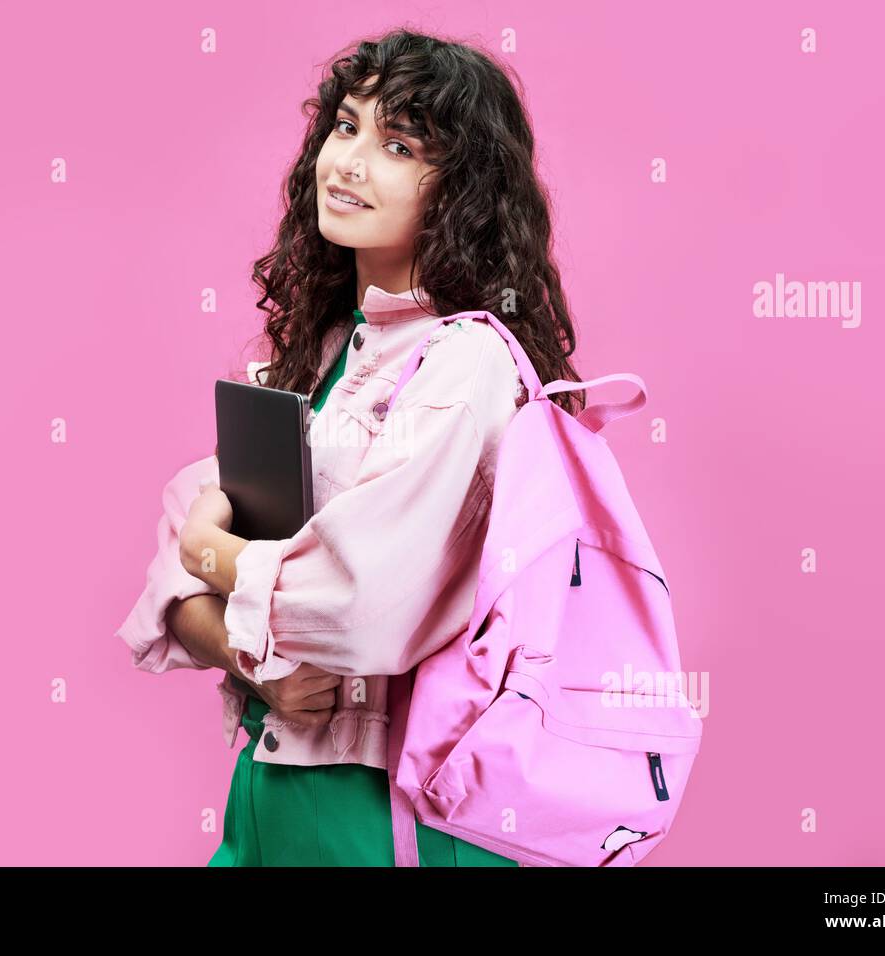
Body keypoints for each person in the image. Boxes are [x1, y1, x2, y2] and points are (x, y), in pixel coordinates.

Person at [116, 28, 587, 866]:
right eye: (345, 127)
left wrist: (212, 554)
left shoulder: (466, 362)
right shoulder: (328, 352)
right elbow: (168, 572)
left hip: (383, 815)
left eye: (397, 144)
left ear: (462, 191)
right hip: (267, 798)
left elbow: (360, 607)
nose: (350, 162)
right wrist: (248, 656)